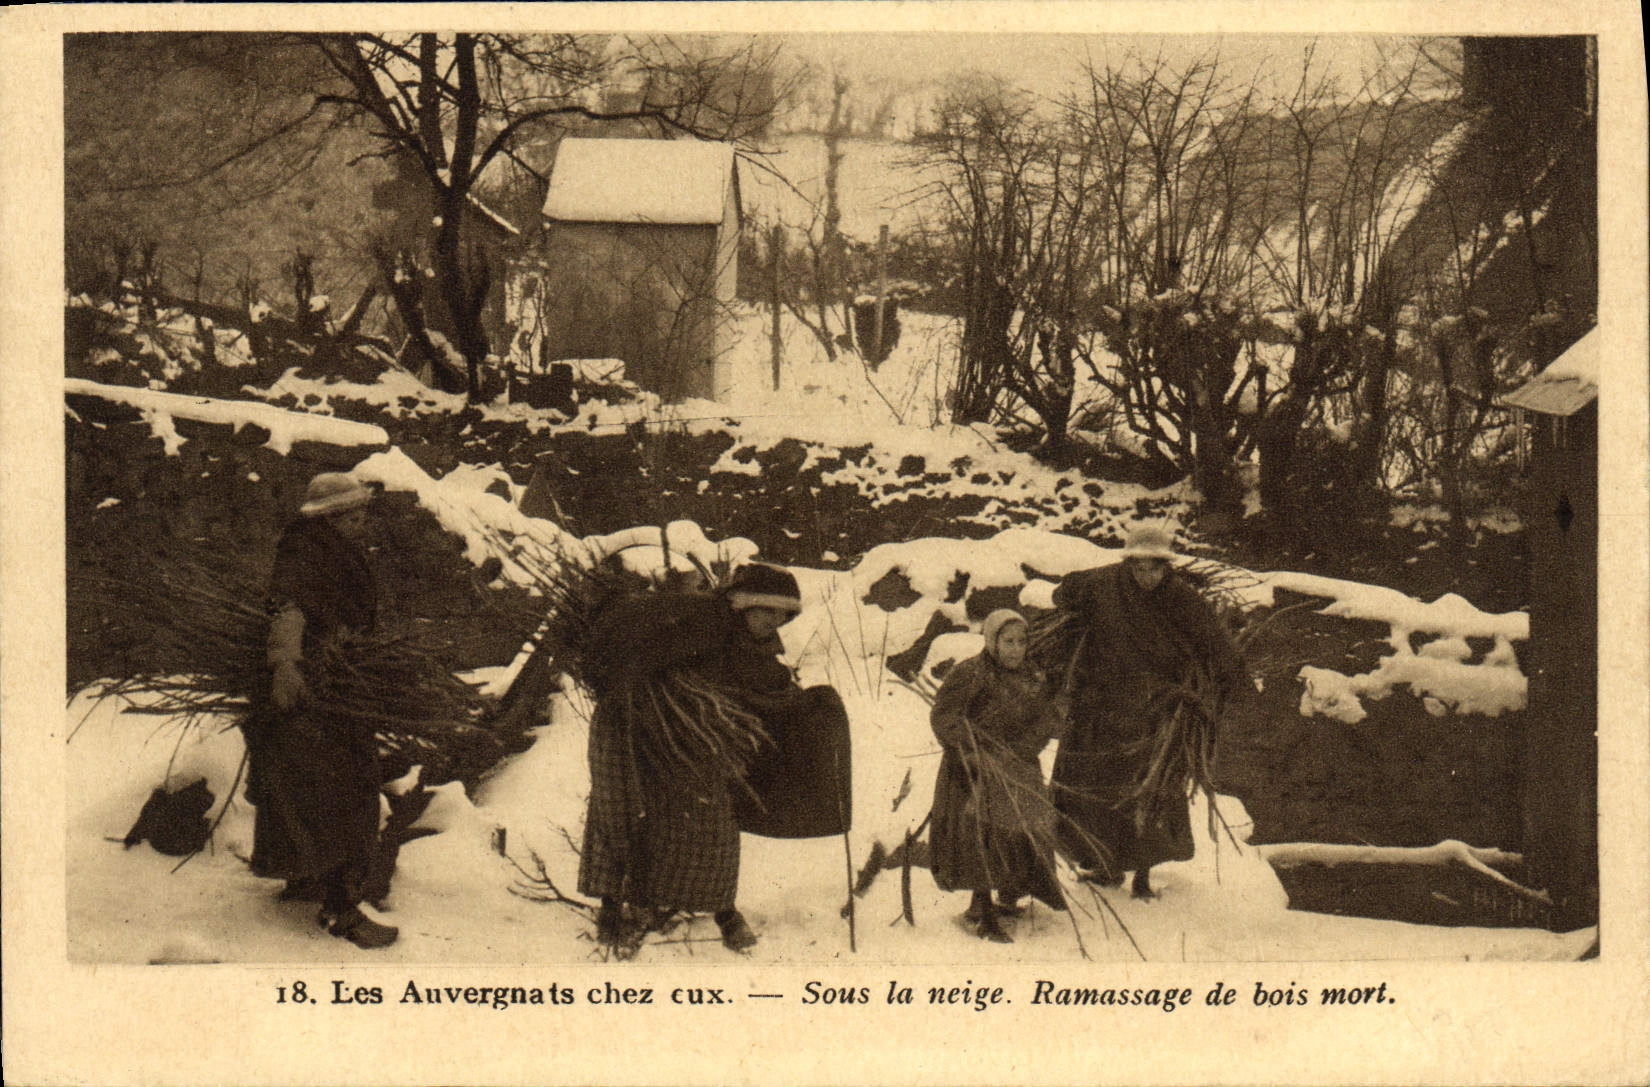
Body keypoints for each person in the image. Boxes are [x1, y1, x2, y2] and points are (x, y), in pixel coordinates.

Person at [577, 561, 809, 954]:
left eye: (783, 615)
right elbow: (635, 662)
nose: (775, 621)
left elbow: (760, 678)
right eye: (767, 610)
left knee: (711, 821)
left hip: (687, 735)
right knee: (620, 812)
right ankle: (613, 910)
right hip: (629, 723)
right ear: (742, 604)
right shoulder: (700, 623)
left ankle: (722, 911)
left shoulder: (747, 639)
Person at [245, 472, 399, 949]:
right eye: (352, 516)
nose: (361, 523)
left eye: (361, 514)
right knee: (342, 793)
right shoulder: (308, 551)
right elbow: (288, 609)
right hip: (311, 692)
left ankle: (306, 878)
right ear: (331, 519)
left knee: (310, 790)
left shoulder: (331, 550)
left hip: (333, 687)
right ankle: (339, 908)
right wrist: (285, 666)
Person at [1050, 524, 1245, 900]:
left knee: (1148, 788)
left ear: (1166, 566)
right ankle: (1104, 865)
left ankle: (1141, 875)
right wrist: (1071, 595)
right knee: (1098, 787)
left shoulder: (1183, 599)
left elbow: (1216, 644)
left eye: (1154, 568)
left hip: (1154, 709)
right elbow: (1065, 593)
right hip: (1101, 705)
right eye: (1138, 567)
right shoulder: (1104, 584)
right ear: (1128, 563)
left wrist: (1227, 682)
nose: (1146, 576)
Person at [928, 609, 1067, 942]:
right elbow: (944, 717)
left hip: (1018, 767)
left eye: (1021, 642)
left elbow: (1045, 718)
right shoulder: (970, 673)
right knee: (980, 837)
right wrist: (974, 751)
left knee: (1019, 832)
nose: (1015, 649)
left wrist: (1030, 742)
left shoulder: (1033, 676)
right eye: (1007, 642)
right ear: (991, 641)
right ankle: (982, 910)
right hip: (973, 771)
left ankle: (1006, 896)